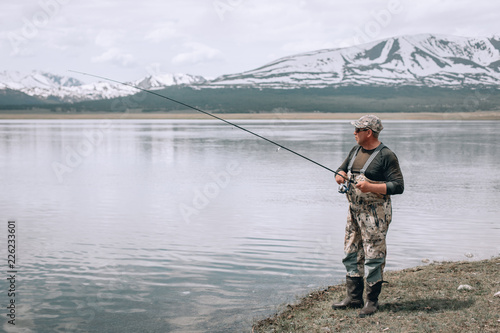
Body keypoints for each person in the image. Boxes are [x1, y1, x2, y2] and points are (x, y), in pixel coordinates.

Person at [332, 114, 404, 317]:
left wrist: (371, 186)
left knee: (374, 256)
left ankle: (371, 302)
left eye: (357, 130)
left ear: (368, 132)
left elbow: (398, 186)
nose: (354, 133)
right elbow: (341, 169)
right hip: (354, 212)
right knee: (351, 252)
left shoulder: (386, 155)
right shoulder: (355, 150)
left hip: (376, 214)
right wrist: (340, 174)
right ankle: (354, 298)